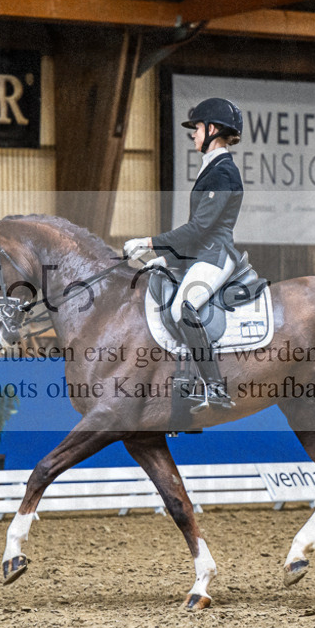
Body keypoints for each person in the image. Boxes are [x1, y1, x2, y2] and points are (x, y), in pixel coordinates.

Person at [124, 97, 244, 409]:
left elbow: (199, 228)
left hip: (216, 255)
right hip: (201, 254)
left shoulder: (224, 172)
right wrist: (163, 260)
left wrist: (150, 242)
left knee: (183, 307)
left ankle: (215, 387)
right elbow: (194, 235)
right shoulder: (212, 169)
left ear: (214, 130)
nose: (193, 134)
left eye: (198, 128)